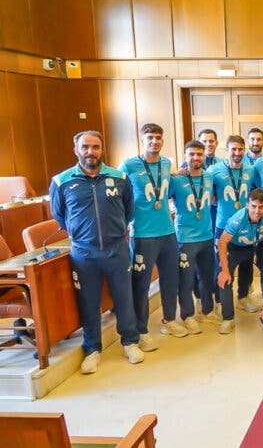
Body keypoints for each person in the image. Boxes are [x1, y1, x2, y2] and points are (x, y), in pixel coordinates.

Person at [50, 130, 144, 374]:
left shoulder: (119, 177)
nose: (90, 152)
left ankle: (130, 342)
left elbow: (129, 210)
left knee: (124, 298)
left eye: (95, 147)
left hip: (117, 250)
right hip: (83, 255)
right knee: (89, 303)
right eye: (85, 147)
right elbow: (59, 214)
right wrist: (79, 232)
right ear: (76, 150)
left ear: (102, 149)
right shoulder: (62, 181)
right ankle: (92, 349)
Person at [119, 123, 183, 346]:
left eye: (158, 137)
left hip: (168, 232)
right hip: (143, 235)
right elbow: (118, 195)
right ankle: (141, 330)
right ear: (142, 140)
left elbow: (172, 185)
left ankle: (169, 320)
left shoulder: (166, 164)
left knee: (170, 280)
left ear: (162, 140)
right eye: (150, 137)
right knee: (141, 284)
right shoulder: (128, 165)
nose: (154, 141)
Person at [209, 135, 261, 312]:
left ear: (244, 149)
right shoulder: (214, 170)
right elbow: (202, 186)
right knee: (221, 264)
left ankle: (243, 297)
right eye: (233, 149)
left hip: (246, 225)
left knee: (246, 263)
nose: (237, 153)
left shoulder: (250, 169)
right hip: (223, 225)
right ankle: (219, 301)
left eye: (240, 149)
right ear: (227, 150)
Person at [217, 188, 263, 334]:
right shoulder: (237, 219)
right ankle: (228, 318)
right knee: (225, 278)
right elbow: (222, 242)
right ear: (247, 205)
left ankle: (251, 300)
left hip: (254, 245)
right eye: (253, 206)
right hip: (234, 247)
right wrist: (225, 270)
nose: (257, 211)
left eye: (261, 207)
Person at [169, 140, 216, 333]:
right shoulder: (177, 179)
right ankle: (187, 315)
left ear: (204, 156)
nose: (196, 158)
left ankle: (207, 310)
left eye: (199, 154)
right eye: (192, 154)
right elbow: (162, 197)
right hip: (185, 238)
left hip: (206, 236)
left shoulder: (209, 176)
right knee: (186, 280)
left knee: (207, 277)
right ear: (185, 157)